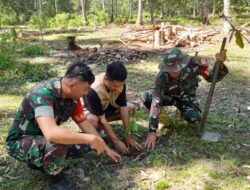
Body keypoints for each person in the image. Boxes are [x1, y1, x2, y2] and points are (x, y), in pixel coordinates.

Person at [6, 61, 121, 190]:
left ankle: (40, 161)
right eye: (85, 89)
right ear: (72, 85)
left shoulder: (72, 96)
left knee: (89, 143)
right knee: (59, 143)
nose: (86, 93)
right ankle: (56, 179)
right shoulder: (42, 93)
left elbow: (84, 123)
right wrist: (90, 138)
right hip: (20, 142)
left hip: (42, 139)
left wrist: (104, 146)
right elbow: (52, 133)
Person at [141, 47, 228, 149]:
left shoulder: (195, 64)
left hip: (186, 98)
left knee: (194, 118)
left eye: (175, 69)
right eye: (170, 69)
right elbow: (156, 100)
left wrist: (220, 64)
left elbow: (212, 78)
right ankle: (164, 119)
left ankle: (181, 114)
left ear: (183, 64)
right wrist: (152, 132)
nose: (172, 72)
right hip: (169, 97)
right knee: (147, 96)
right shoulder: (162, 76)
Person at [83, 61, 141, 154]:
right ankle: (97, 132)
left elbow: (123, 108)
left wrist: (128, 135)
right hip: (94, 112)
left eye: (121, 85)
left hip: (106, 108)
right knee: (92, 120)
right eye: (115, 86)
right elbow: (101, 118)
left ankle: (103, 129)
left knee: (130, 108)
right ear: (106, 79)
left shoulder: (120, 85)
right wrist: (116, 141)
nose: (118, 88)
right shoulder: (93, 90)